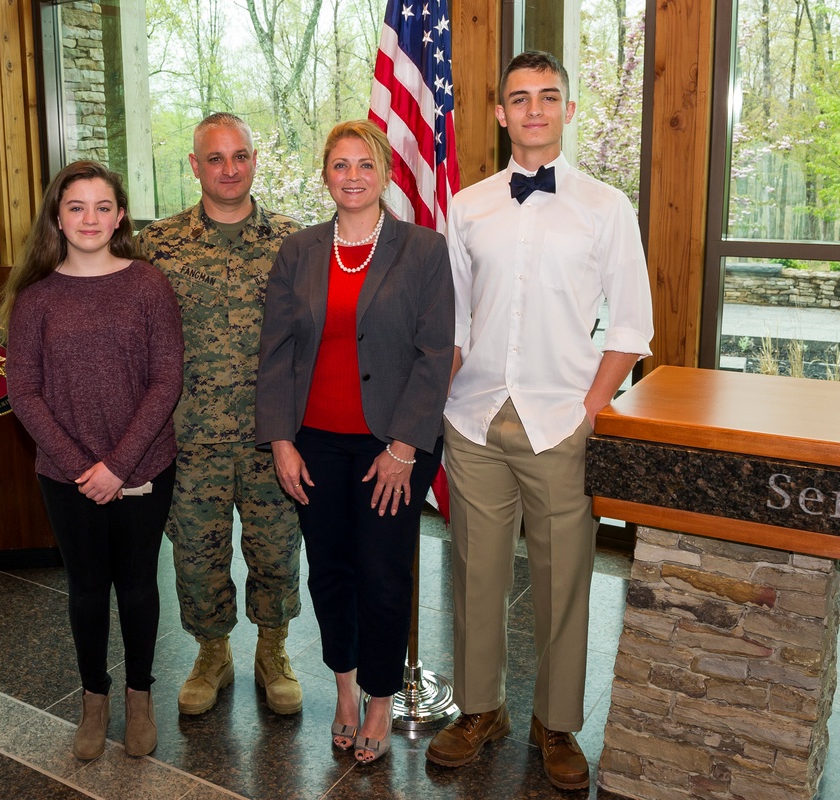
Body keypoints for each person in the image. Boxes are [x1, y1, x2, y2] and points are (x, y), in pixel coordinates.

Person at [425, 51, 654, 790]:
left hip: (561, 423)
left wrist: (589, 412)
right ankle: (479, 708)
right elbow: (453, 321)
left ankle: (555, 724)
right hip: (474, 418)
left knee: (565, 580)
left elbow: (630, 328)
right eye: (519, 98)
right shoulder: (469, 206)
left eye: (547, 97)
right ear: (499, 113)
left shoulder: (605, 208)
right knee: (474, 573)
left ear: (568, 110)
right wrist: (432, 410)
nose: (533, 109)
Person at [255, 120, 455, 765]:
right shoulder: (300, 251)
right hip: (314, 444)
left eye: (364, 164)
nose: (353, 176)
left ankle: (378, 698)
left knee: (383, 571)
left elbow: (435, 354)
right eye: (340, 165)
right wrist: (281, 441)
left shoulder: (422, 250)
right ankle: (344, 688)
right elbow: (277, 354)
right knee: (330, 570)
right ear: (326, 176)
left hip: (392, 448)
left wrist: (402, 447)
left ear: (385, 174)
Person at [0, 161, 184, 760]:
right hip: (64, 474)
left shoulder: (149, 286)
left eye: (102, 206)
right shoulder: (36, 297)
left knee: (136, 587)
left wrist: (119, 467)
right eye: (76, 207)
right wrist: (84, 467)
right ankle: (93, 700)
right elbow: (22, 391)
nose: (89, 218)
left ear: (121, 215)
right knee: (85, 590)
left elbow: (166, 380)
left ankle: (139, 697)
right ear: (58, 216)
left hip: (146, 467)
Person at [135, 113, 304, 717]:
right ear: (195, 166)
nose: (229, 169)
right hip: (190, 437)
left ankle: (274, 652)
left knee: (277, 552)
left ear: (255, 160)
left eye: (240, 156)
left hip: (272, 439)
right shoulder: (157, 245)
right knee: (197, 557)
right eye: (215, 158)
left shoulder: (294, 241)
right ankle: (212, 654)